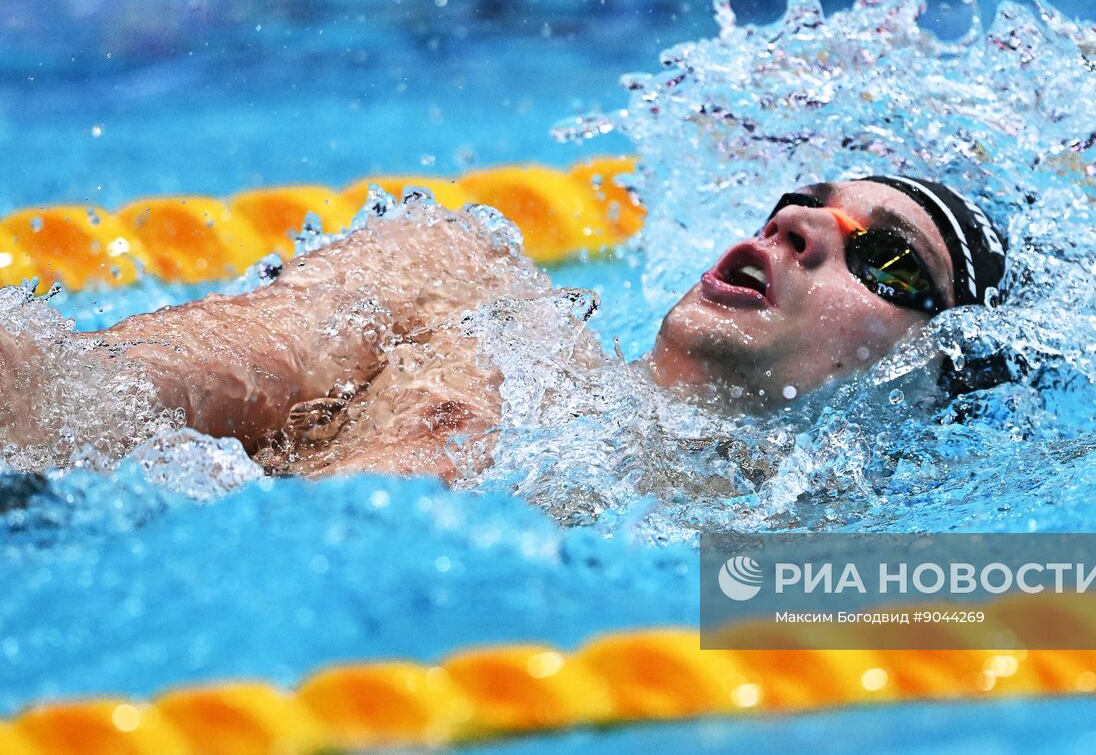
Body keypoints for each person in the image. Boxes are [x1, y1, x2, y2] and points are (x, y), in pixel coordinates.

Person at [1, 175, 1005, 480]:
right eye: (799, 201)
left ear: (926, 375)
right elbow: (84, 395)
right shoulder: (458, 285)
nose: (794, 227)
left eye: (886, 258)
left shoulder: (794, 577)